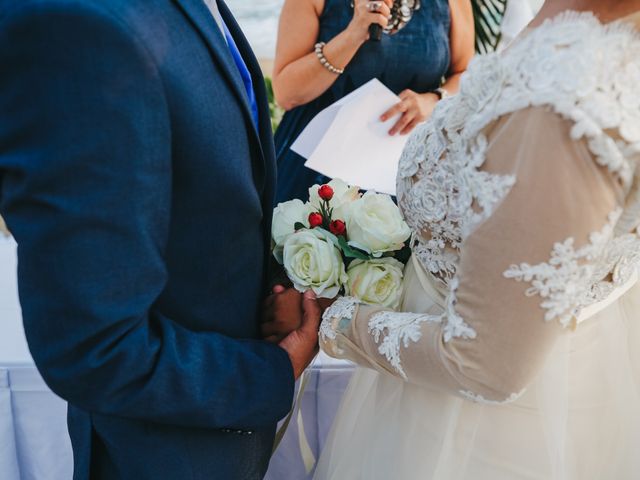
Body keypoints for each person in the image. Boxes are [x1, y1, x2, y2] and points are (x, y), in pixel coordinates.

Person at [314, 0, 640, 478]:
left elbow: (484, 366)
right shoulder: (586, 27)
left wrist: (337, 322)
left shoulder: (568, 98)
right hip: (578, 364)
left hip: (478, 433)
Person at [0, 0, 314, 478]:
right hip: (160, 451)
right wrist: (268, 373)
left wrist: (275, 285)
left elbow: (207, 196)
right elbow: (95, 347)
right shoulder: (79, 23)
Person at [272, 0, 474, 204]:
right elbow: (286, 93)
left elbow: (466, 74)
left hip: (410, 170)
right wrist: (353, 35)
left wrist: (434, 100)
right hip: (317, 169)